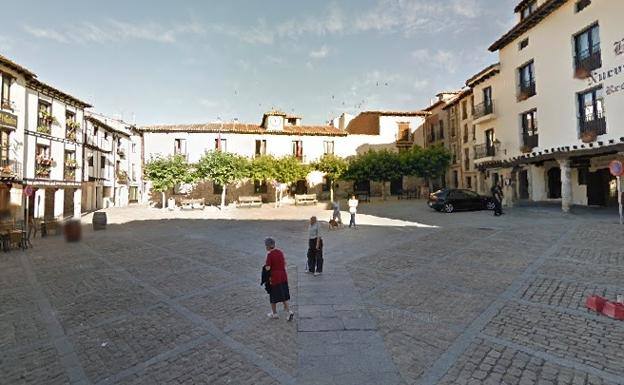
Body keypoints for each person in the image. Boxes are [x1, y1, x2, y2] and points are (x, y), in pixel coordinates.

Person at [264, 237, 294, 321]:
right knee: (283, 295)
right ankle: (289, 311)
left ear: (268, 246)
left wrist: (266, 267)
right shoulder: (280, 252)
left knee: (273, 295)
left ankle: (274, 313)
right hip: (283, 276)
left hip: (275, 277)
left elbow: (268, 268)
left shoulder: (270, 255)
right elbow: (284, 263)